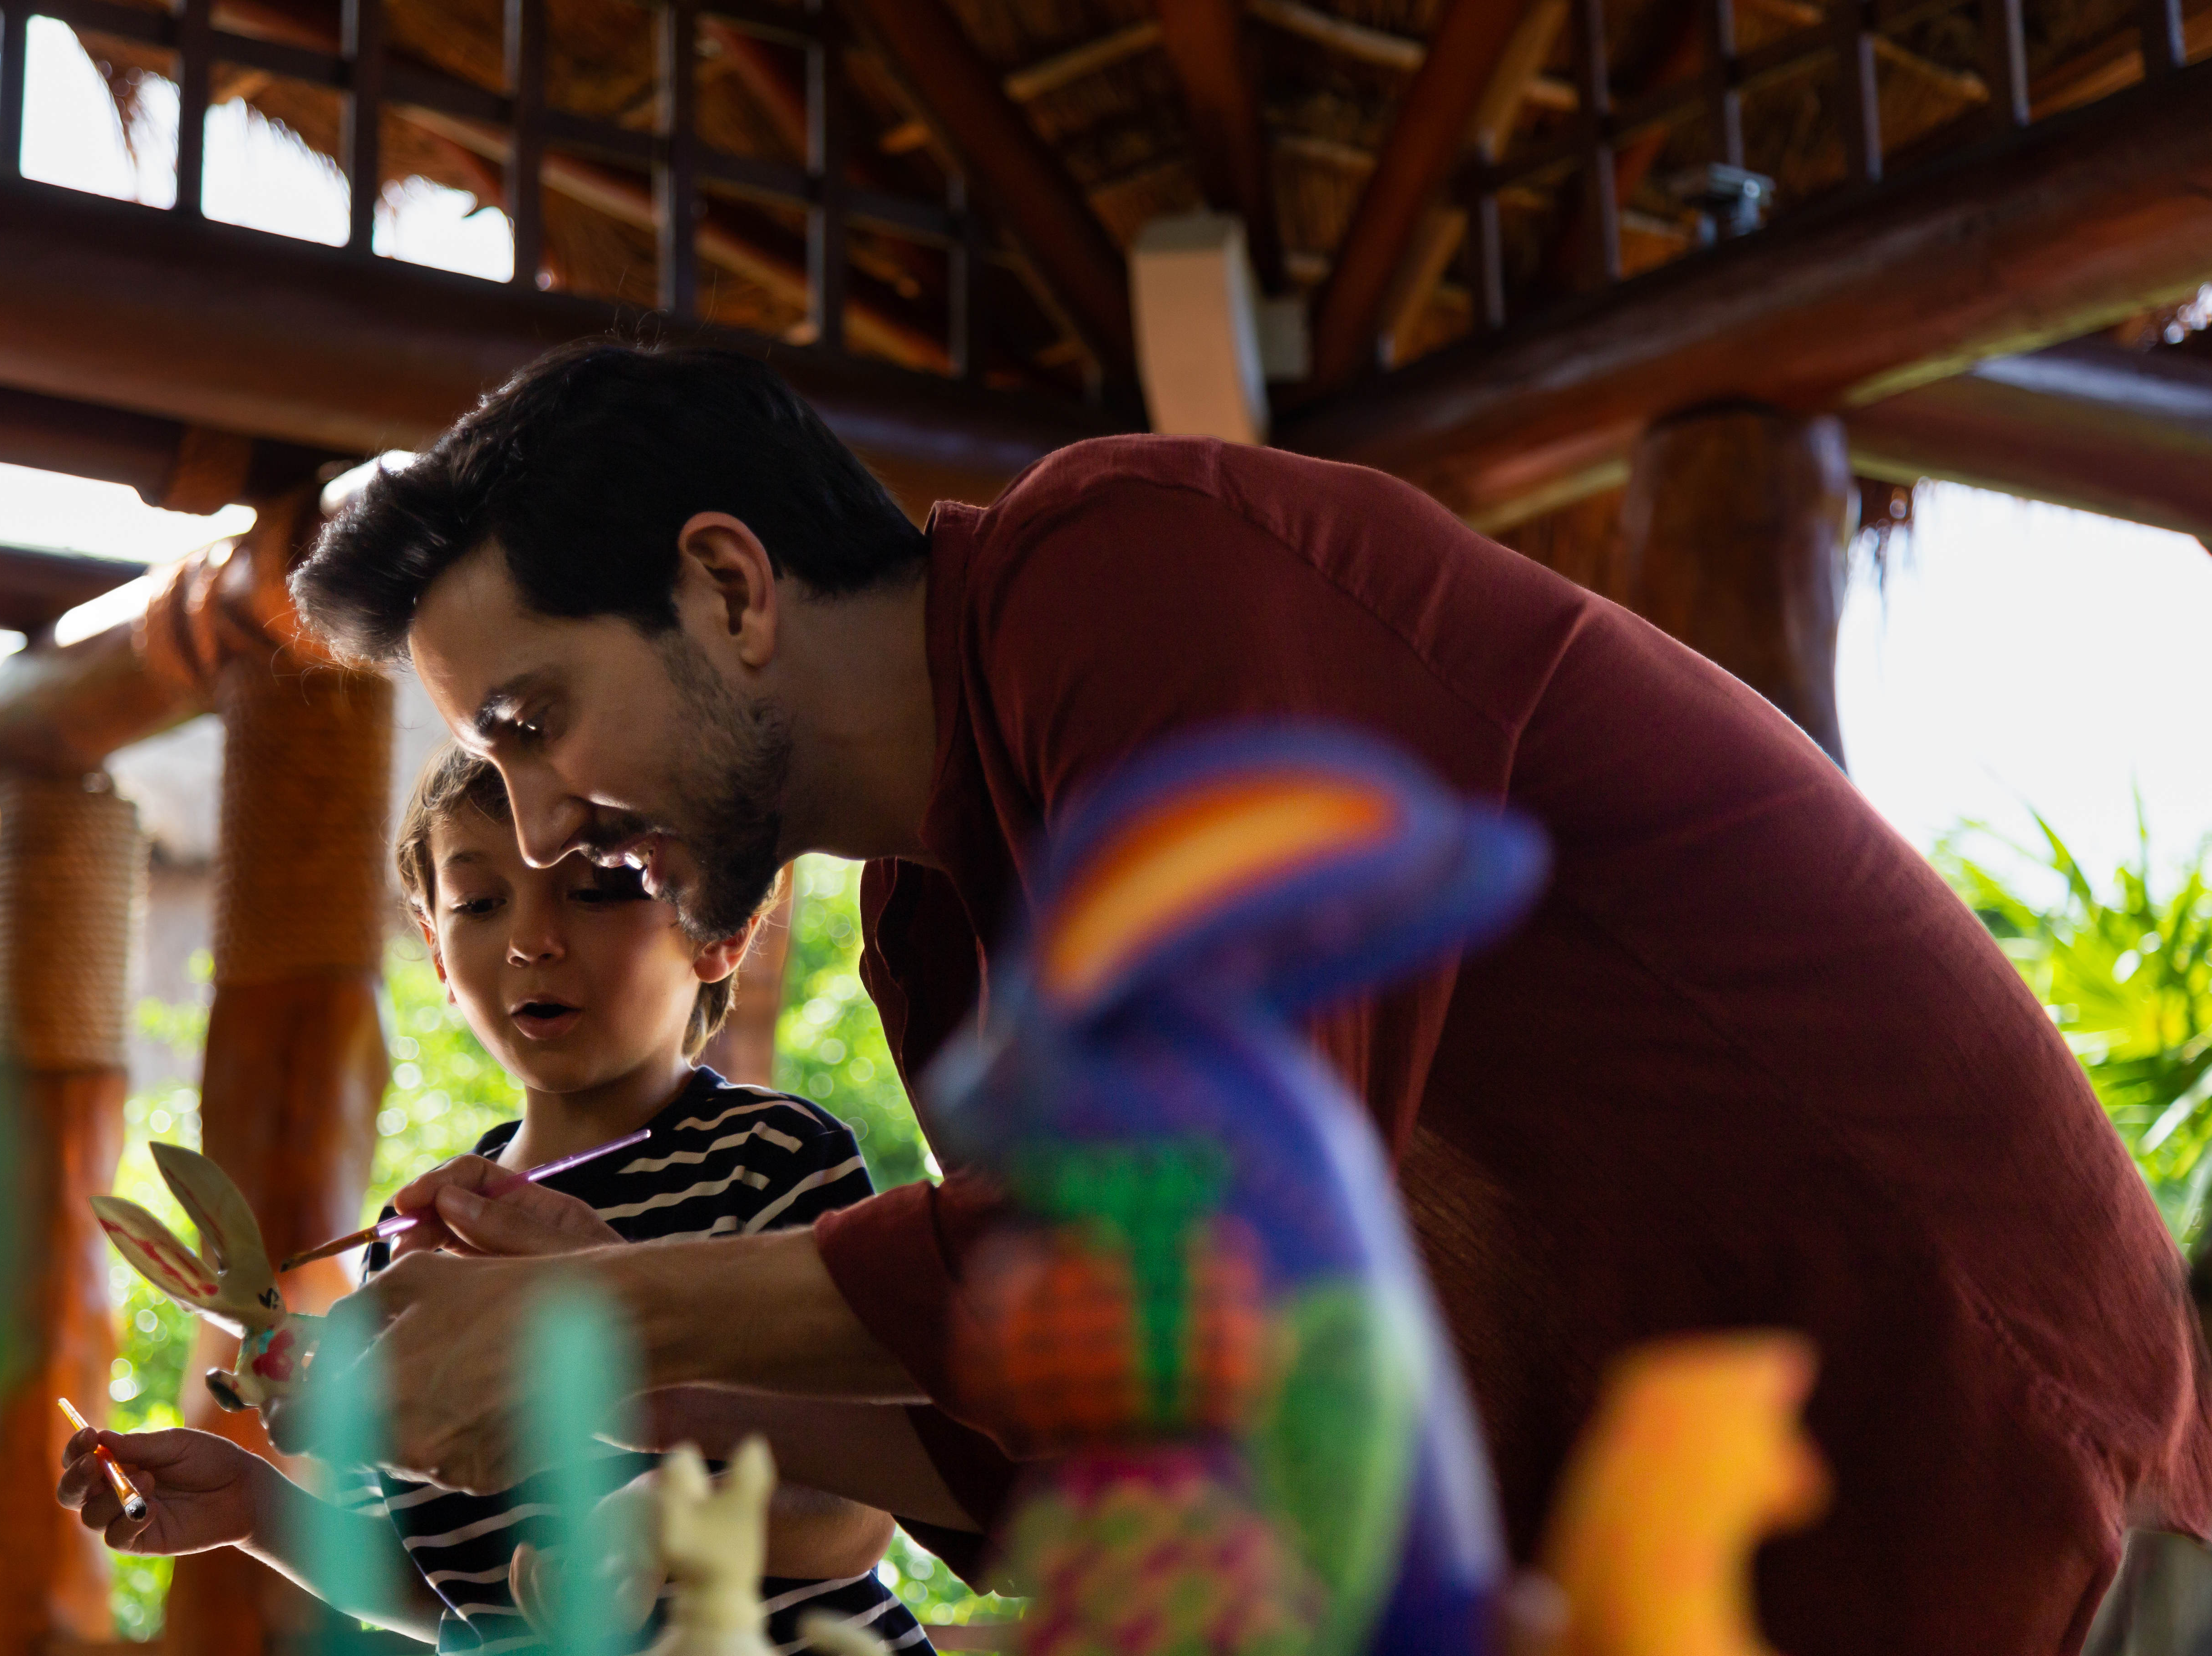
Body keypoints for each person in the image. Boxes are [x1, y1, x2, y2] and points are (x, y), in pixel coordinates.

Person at [279, 341, 2212, 1653]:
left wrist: (611, 1311)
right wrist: (634, 1370)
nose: (547, 826)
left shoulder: (1135, 574)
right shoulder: (940, 939)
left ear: (728, 586)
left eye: (534, 723)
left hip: (2021, 1539)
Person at [58, 740, 924, 1654]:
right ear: (434, 944)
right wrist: (251, 1506)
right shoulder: (413, 1246)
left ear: (720, 931)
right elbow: (459, 1596)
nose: (530, 940)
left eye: (593, 891)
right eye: (479, 902)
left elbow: (855, 1511)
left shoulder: (770, 1158)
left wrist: (664, 1521)